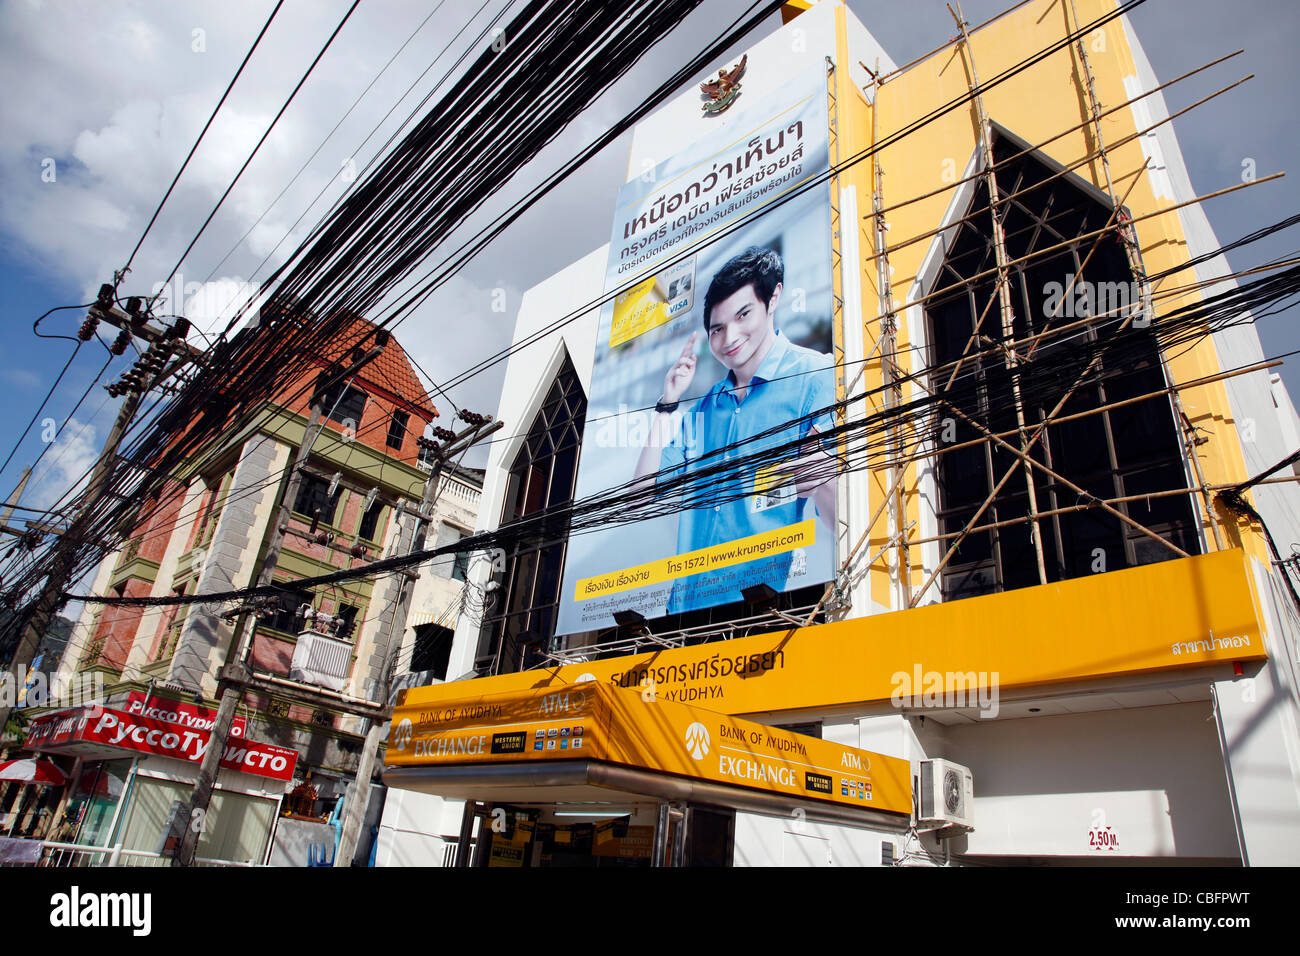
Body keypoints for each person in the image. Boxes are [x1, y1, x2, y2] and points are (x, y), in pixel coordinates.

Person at [634, 247, 837, 613]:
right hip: (684, 610)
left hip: (766, 606)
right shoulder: (704, 408)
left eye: (743, 315)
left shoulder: (815, 376)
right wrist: (667, 405)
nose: (729, 338)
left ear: (773, 298)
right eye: (717, 328)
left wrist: (822, 476)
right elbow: (639, 495)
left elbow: (841, 517)